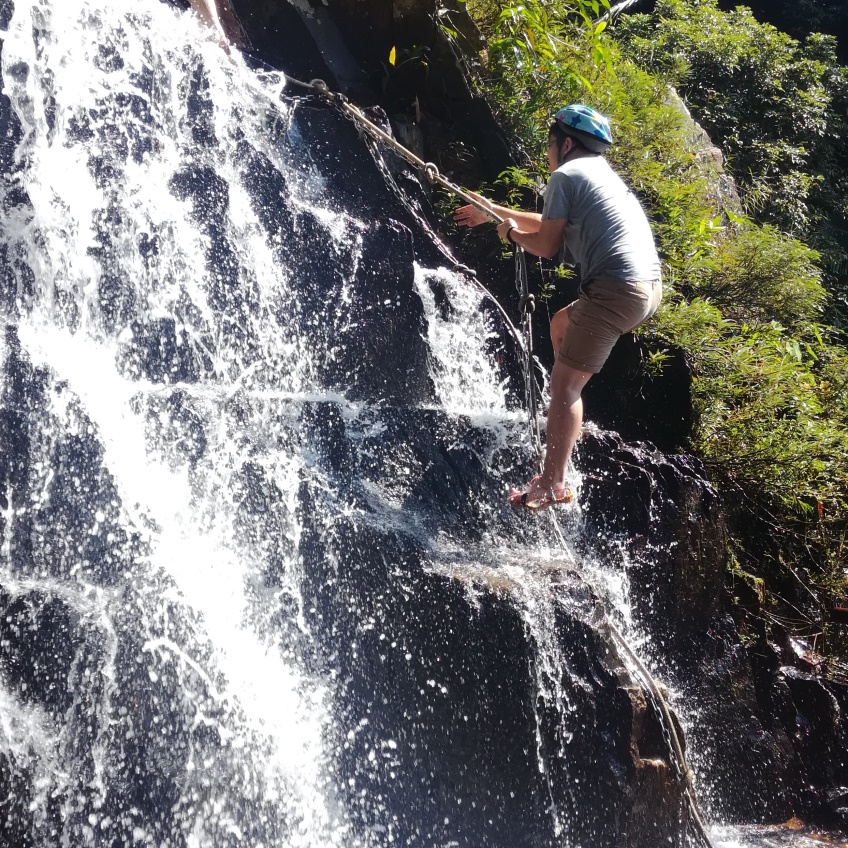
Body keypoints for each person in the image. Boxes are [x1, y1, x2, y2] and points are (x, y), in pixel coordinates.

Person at [453, 104, 662, 510]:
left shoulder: (565, 175)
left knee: (565, 385)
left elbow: (546, 245)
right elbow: (549, 222)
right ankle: (566, 427)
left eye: (550, 147)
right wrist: (491, 212)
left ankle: (553, 483)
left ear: (565, 145)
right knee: (561, 325)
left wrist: (510, 235)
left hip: (616, 288)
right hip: (645, 289)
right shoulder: (599, 176)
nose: (548, 156)